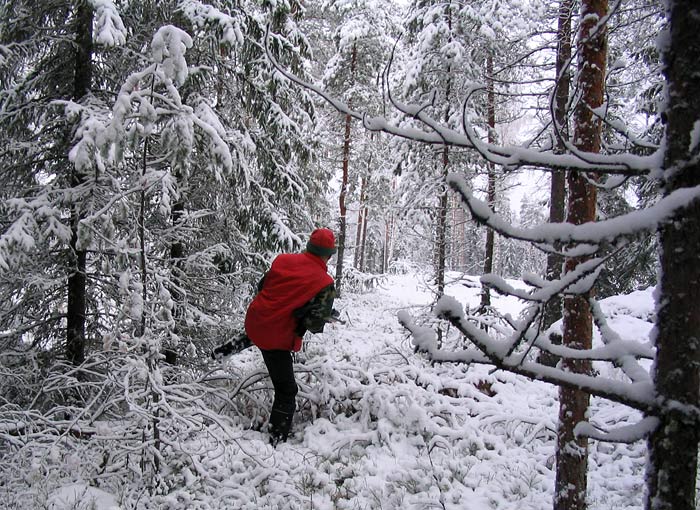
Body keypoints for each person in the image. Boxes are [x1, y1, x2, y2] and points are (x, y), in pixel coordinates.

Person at [244, 228, 338, 445]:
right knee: (287, 390)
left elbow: (263, 287)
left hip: (255, 321)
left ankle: (222, 352)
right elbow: (313, 325)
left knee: (258, 335)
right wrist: (320, 315)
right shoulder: (325, 283)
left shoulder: (283, 260)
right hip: (275, 337)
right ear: (329, 255)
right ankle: (275, 442)